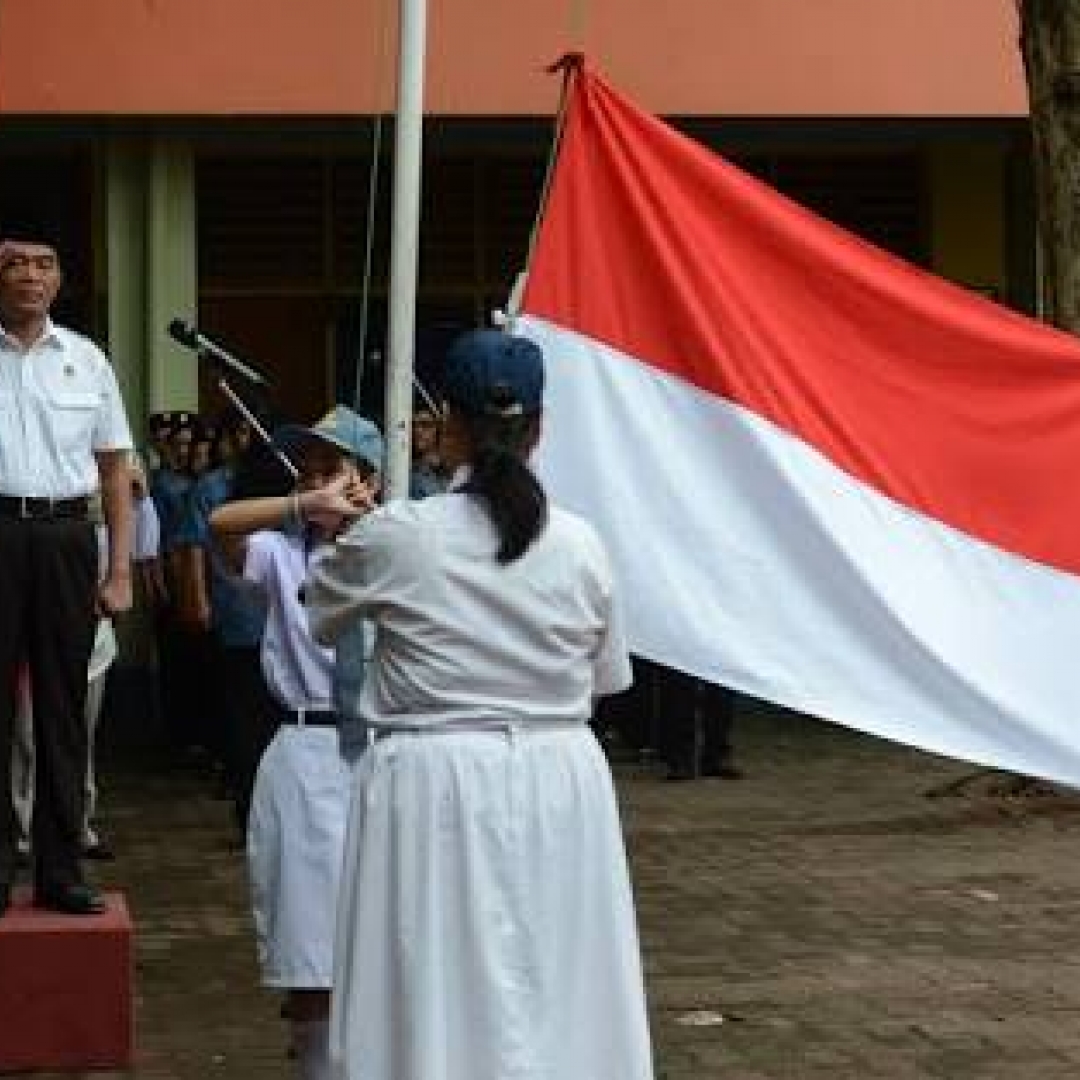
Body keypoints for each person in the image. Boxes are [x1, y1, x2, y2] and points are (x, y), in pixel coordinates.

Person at [305, 329, 655, 1080]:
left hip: (431, 777)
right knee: (562, 982)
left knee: (429, 983)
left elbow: (322, 611)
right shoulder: (583, 543)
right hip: (559, 775)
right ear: (539, 429)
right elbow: (604, 675)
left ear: (448, 425)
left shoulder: (400, 534)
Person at [210, 406, 383, 1080]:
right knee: (309, 944)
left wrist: (372, 526)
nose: (318, 484)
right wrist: (297, 502)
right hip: (307, 750)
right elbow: (221, 528)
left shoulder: (398, 552)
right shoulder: (281, 552)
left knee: (389, 935)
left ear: (368, 478)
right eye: (306, 471)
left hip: (383, 752)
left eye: (331, 470)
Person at [0, 223, 133, 917]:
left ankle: (60, 871)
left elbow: (115, 472)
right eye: (15, 263)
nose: (29, 274)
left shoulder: (87, 358)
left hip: (66, 537)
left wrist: (120, 572)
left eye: (43, 263)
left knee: (61, 711)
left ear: (59, 279)